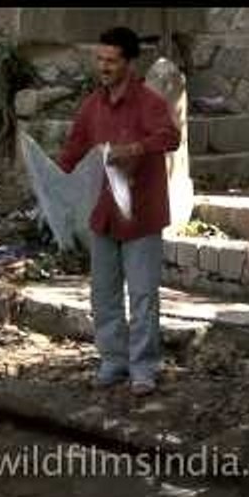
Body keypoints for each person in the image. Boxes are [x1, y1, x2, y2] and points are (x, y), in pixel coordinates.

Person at [57, 26, 180, 397]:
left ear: (128, 63)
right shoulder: (92, 105)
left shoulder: (150, 102)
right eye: (100, 59)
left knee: (143, 296)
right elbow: (74, 150)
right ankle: (113, 361)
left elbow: (171, 137)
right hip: (103, 214)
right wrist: (53, 182)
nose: (104, 66)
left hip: (141, 215)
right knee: (103, 294)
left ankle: (143, 368)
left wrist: (137, 149)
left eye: (111, 60)